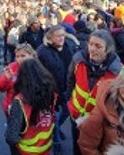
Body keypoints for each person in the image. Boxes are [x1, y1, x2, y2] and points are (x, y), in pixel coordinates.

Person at [67, 30, 124, 155]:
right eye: (91, 44)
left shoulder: (119, 72)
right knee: (76, 148)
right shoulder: (78, 61)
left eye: (98, 46)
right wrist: (69, 100)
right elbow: (70, 81)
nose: (92, 49)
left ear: (107, 49)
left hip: (99, 122)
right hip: (76, 116)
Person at [36, 25, 77, 153]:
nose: (61, 38)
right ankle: (56, 141)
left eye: (63, 35)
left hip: (68, 88)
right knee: (54, 116)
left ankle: (56, 129)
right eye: (58, 36)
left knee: (66, 113)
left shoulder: (69, 46)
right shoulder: (42, 51)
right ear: (50, 37)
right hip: (52, 91)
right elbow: (40, 74)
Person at [5, 59, 57, 155]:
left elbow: (11, 138)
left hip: (26, 151)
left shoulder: (20, 101)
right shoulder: (51, 93)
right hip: (46, 148)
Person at [0, 43, 38, 116]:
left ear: (31, 55)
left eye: (23, 56)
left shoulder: (37, 67)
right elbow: (0, 88)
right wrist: (6, 78)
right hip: (13, 106)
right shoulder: (12, 67)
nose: (20, 59)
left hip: (31, 107)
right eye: (17, 56)